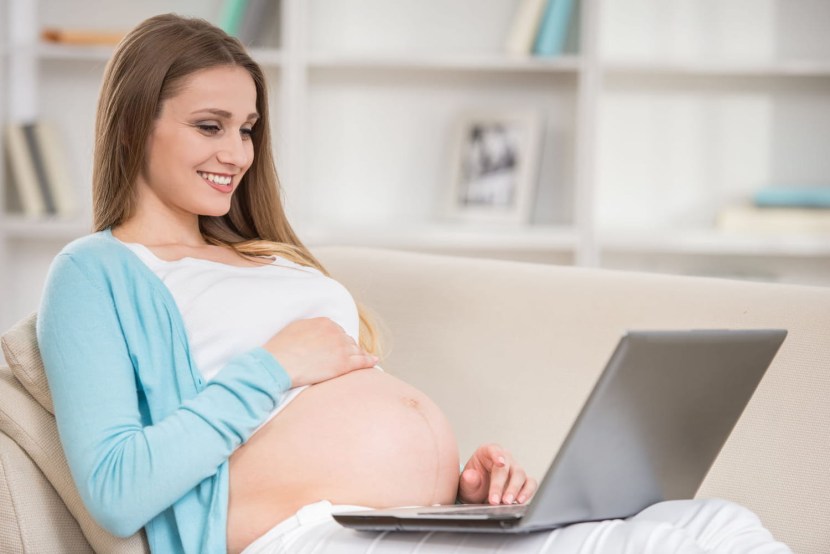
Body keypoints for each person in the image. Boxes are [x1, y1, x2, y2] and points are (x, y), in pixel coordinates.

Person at [36, 14, 791, 554]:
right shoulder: (96, 271)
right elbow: (117, 489)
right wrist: (273, 366)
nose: (237, 152)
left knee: (714, 526)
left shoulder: (272, 258)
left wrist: (460, 489)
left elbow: (338, 430)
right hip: (303, 538)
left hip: (413, 524)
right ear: (134, 125)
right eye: (210, 125)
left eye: (248, 128)